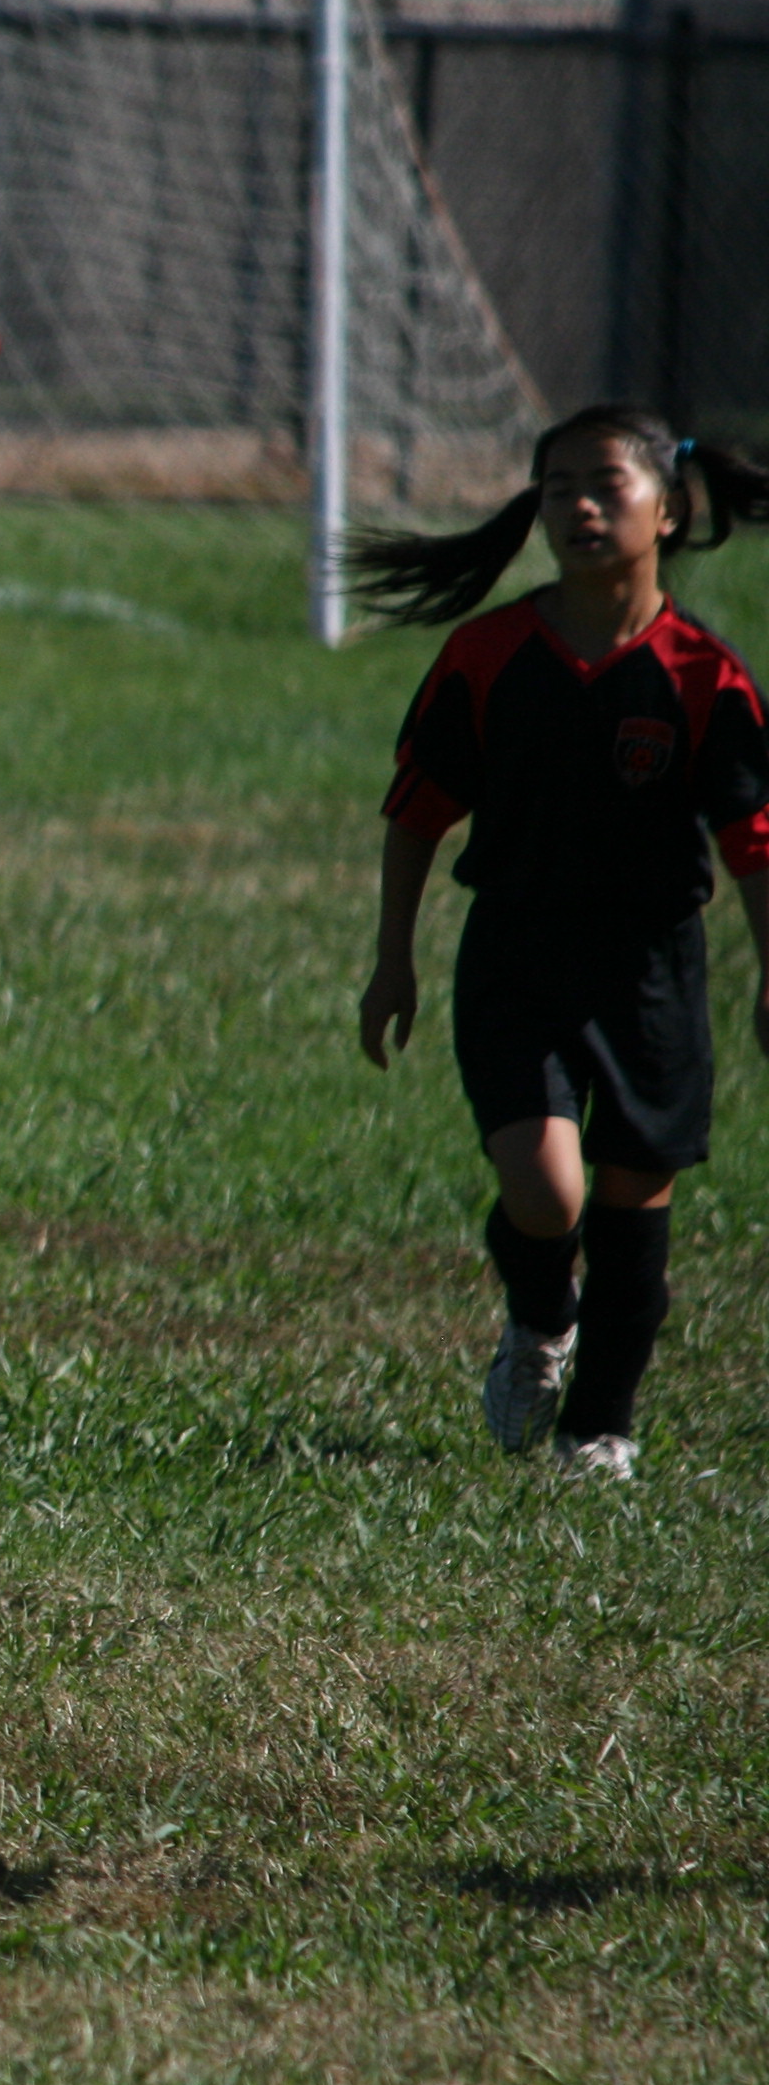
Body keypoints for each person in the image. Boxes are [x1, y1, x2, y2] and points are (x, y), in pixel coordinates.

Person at [351, 407, 769, 1486]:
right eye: (556, 488)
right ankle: (541, 1319)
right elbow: (416, 812)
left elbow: (754, 843)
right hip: (518, 958)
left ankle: (600, 1429)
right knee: (548, 1196)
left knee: (633, 1213)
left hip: (651, 976)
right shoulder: (489, 655)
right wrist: (392, 960)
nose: (579, 505)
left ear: (668, 510)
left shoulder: (704, 675)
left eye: (605, 485)